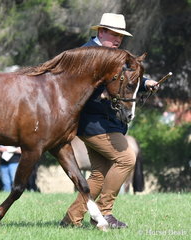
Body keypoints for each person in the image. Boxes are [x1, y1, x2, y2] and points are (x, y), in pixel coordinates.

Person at [60, 13, 159, 229]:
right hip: (92, 122)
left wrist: (146, 83)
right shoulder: (84, 54)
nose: (118, 40)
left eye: (120, 36)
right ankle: (104, 213)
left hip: (106, 122)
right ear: (101, 32)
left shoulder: (113, 54)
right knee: (126, 159)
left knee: (99, 174)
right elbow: (74, 91)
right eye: (114, 34)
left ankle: (70, 220)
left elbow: (124, 79)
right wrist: (101, 93)